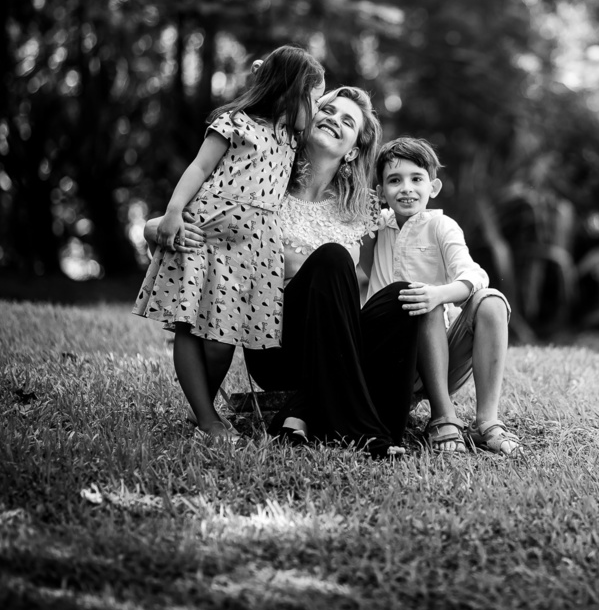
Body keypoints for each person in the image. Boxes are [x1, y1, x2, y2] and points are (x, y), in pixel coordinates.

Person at [147, 86, 421, 457]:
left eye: (347, 121)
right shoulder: (264, 178)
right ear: (308, 119)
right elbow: (190, 216)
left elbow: (400, 245)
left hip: (338, 344)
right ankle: (362, 432)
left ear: (353, 150)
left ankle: (329, 416)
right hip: (276, 344)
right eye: (327, 110)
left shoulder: (361, 209)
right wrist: (155, 228)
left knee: (403, 296)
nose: (334, 120)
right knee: (333, 259)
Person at [134, 46, 324, 441]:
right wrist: (173, 212)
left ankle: (201, 408)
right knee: (189, 326)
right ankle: (208, 419)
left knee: (223, 342)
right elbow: (199, 167)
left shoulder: (291, 138)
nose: (317, 107)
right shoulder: (234, 122)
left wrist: (267, 71)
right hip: (203, 234)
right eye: (314, 97)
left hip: (253, 250)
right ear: (291, 92)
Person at [365, 137, 520, 455]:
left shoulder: (441, 226)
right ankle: (442, 416)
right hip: (386, 362)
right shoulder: (374, 227)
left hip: (439, 357)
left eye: (416, 179)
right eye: (395, 180)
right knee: (420, 300)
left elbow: (475, 276)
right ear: (380, 192)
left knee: (490, 301)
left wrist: (439, 294)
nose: (406, 188)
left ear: (433, 187)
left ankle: (487, 422)